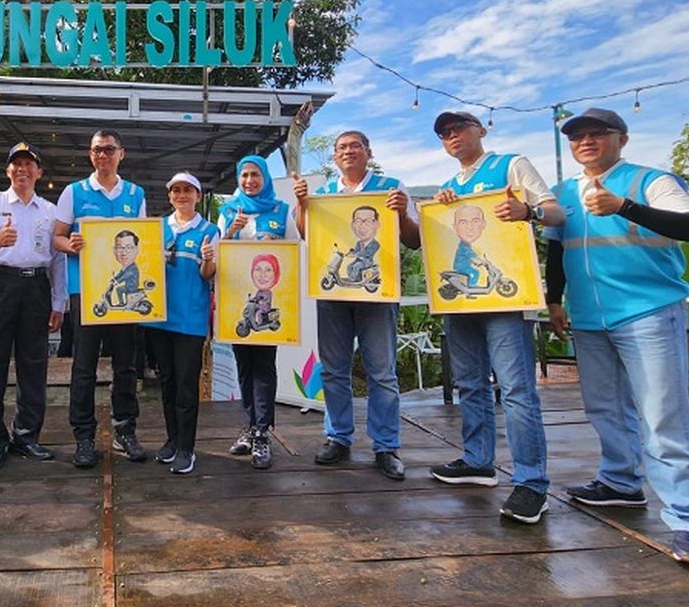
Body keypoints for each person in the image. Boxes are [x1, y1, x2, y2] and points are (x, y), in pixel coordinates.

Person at [545, 107, 689, 567]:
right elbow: (556, 249)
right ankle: (621, 481)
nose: (585, 141)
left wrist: (623, 206)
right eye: (577, 136)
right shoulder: (563, 193)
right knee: (604, 406)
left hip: (648, 311)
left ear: (621, 139)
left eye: (596, 133)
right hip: (588, 316)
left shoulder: (652, 181)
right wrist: (555, 301)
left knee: (663, 416)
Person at [430, 110, 564, 525]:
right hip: (463, 303)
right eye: (445, 133)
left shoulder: (511, 165)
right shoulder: (450, 187)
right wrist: (443, 208)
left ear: (480, 130)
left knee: (517, 389)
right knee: (470, 383)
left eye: (459, 128)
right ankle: (477, 461)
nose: (452, 136)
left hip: (506, 299)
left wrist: (529, 213)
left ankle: (531, 483)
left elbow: (556, 213)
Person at [293, 130, 419, 480]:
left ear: (368, 152)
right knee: (333, 369)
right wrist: (303, 204)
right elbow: (306, 234)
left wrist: (404, 215)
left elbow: (414, 240)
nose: (348, 152)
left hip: (377, 296)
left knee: (382, 372)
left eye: (354, 146)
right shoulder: (324, 194)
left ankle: (386, 445)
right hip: (334, 297)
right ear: (334, 157)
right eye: (342, 148)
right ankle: (338, 437)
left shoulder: (391, 187)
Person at [0, 142, 67, 471]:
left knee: (33, 364)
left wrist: (58, 302)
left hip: (35, 286)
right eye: (16, 164)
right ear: (8, 170)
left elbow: (59, 261)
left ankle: (26, 436)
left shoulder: (51, 212)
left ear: (39, 172)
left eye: (29, 165)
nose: (22, 170)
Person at [53, 129, 148, 468]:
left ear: (121, 153)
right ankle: (83, 436)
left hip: (125, 297)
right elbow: (57, 239)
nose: (103, 155)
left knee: (126, 365)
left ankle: (125, 431)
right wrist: (71, 245)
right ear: (90, 155)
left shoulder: (135, 194)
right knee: (83, 368)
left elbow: (144, 245)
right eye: (97, 150)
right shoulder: (74, 192)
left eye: (109, 149)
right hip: (87, 293)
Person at [219, 154, 299, 470]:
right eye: (244, 175)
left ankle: (263, 432)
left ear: (265, 177)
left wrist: (275, 243)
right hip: (237, 301)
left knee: (264, 367)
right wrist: (230, 233)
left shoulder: (281, 211)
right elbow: (218, 251)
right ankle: (249, 428)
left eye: (255, 175)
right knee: (244, 366)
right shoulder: (228, 211)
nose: (249, 181)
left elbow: (295, 251)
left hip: (271, 300)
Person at [144, 173, 218, 475]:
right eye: (176, 190)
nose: (181, 195)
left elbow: (208, 275)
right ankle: (172, 440)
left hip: (190, 319)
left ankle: (188, 448)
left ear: (198, 196)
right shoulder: (157, 228)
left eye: (188, 190)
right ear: (170, 195)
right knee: (167, 382)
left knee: (187, 386)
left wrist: (207, 260)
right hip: (159, 318)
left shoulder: (210, 230)